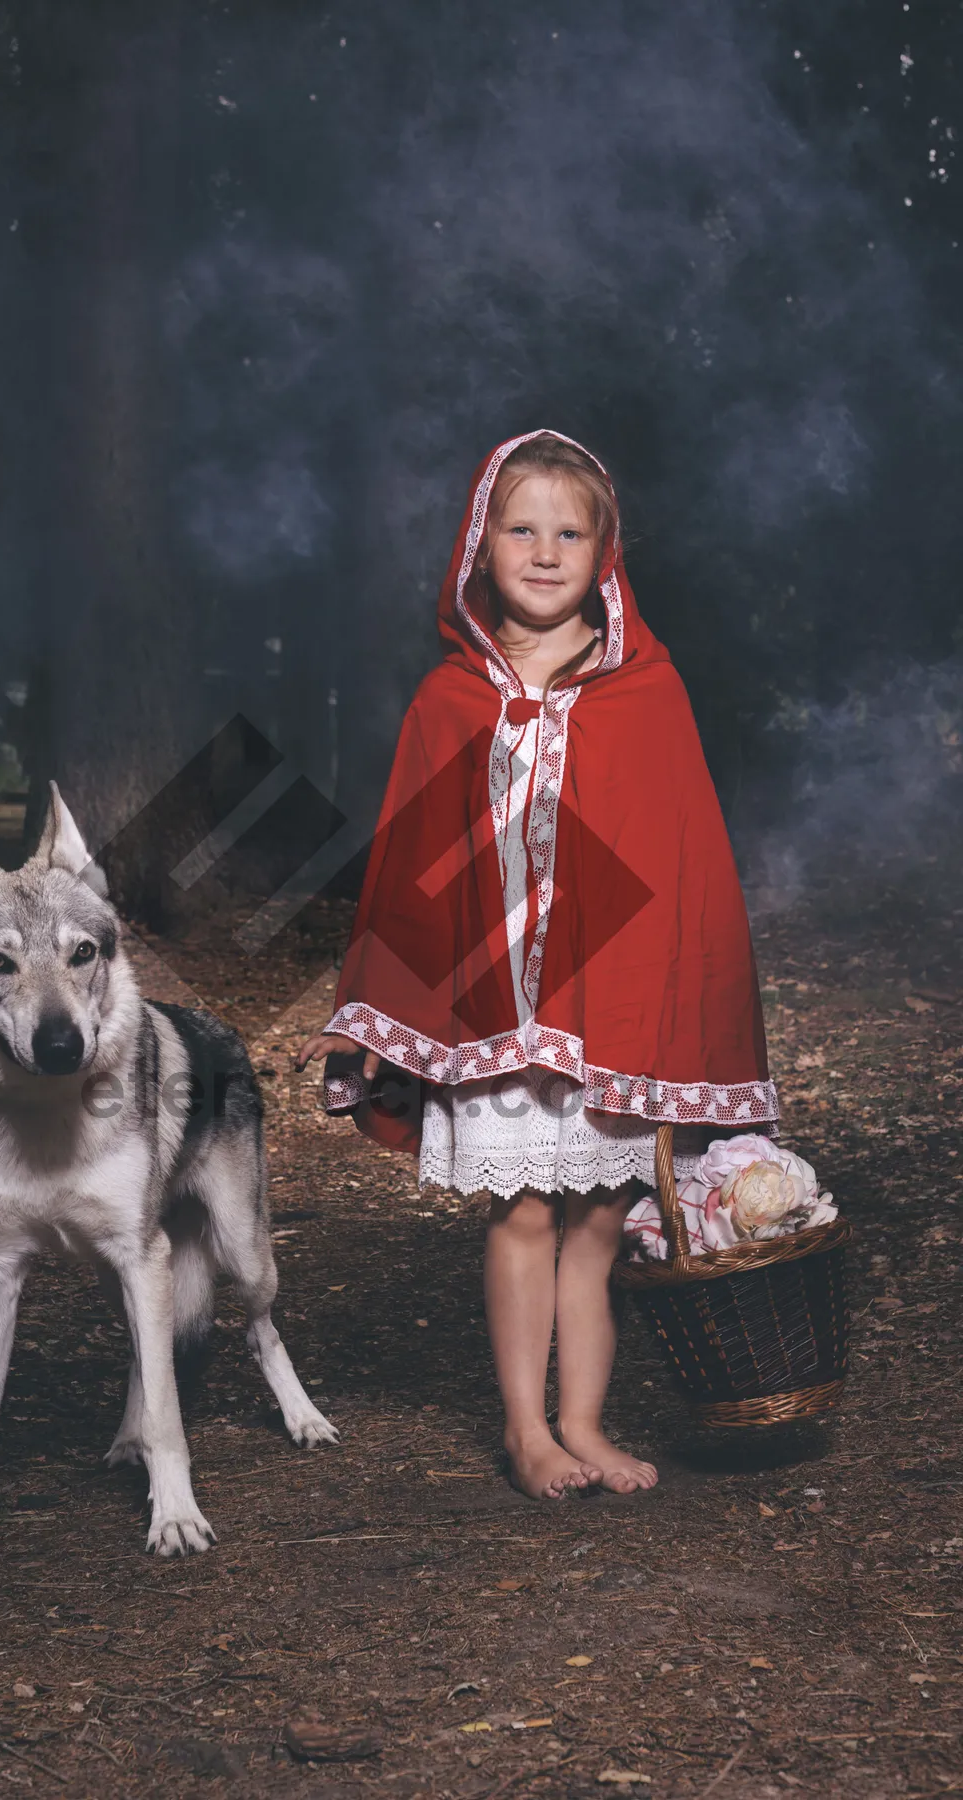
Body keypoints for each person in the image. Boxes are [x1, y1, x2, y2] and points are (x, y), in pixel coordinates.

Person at [297, 431, 776, 1499]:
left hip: (608, 1008)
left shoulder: (647, 695)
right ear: (481, 544)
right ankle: (525, 1429)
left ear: (607, 552)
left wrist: (683, 1007)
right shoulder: (448, 701)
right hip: (489, 1006)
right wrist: (363, 1007)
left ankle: (585, 1423)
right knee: (520, 1210)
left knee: (601, 1219)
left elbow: (686, 866)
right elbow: (412, 870)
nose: (546, 551)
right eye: (522, 528)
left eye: (572, 531)